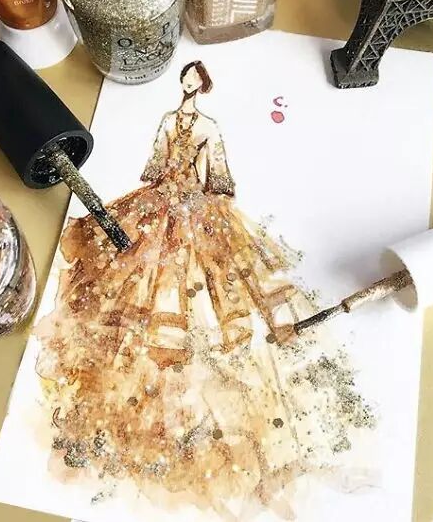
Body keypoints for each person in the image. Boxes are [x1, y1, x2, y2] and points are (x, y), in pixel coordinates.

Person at [36, 61, 375, 516]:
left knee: (207, 278)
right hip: (164, 201)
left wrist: (204, 196)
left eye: (193, 78)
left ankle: (192, 363)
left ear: (203, 84)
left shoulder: (209, 126)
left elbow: (217, 173)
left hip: (192, 205)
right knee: (141, 274)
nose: (187, 83)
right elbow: (155, 165)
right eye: (185, 78)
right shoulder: (167, 120)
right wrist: (170, 187)